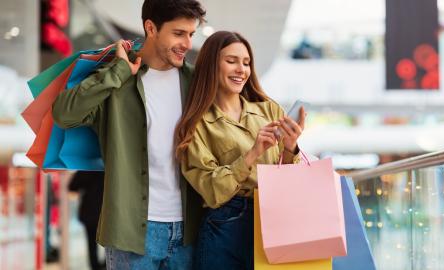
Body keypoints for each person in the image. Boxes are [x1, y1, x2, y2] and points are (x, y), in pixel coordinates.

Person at [52, 0, 206, 269]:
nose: (187, 44)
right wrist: (119, 71)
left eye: (191, 34)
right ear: (151, 28)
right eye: (179, 33)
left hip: (188, 232)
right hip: (132, 232)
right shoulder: (117, 76)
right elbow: (65, 113)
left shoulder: (195, 83)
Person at [174, 31, 306, 270]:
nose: (241, 70)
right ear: (212, 65)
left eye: (246, 63)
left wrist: (291, 148)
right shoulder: (196, 123)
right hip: (225, 226)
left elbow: (289, 180)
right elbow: (211, 189)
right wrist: (252, 153)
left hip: (275, 219)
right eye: (231, 61)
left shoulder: (270, 110)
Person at [68, 171, 105, 270]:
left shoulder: (87, 167)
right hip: (107, 212)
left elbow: (72, 186)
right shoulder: (110, 166)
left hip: (90, 212)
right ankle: (106, 264)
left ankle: (95, 266)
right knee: (110, 242)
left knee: (91, 244)